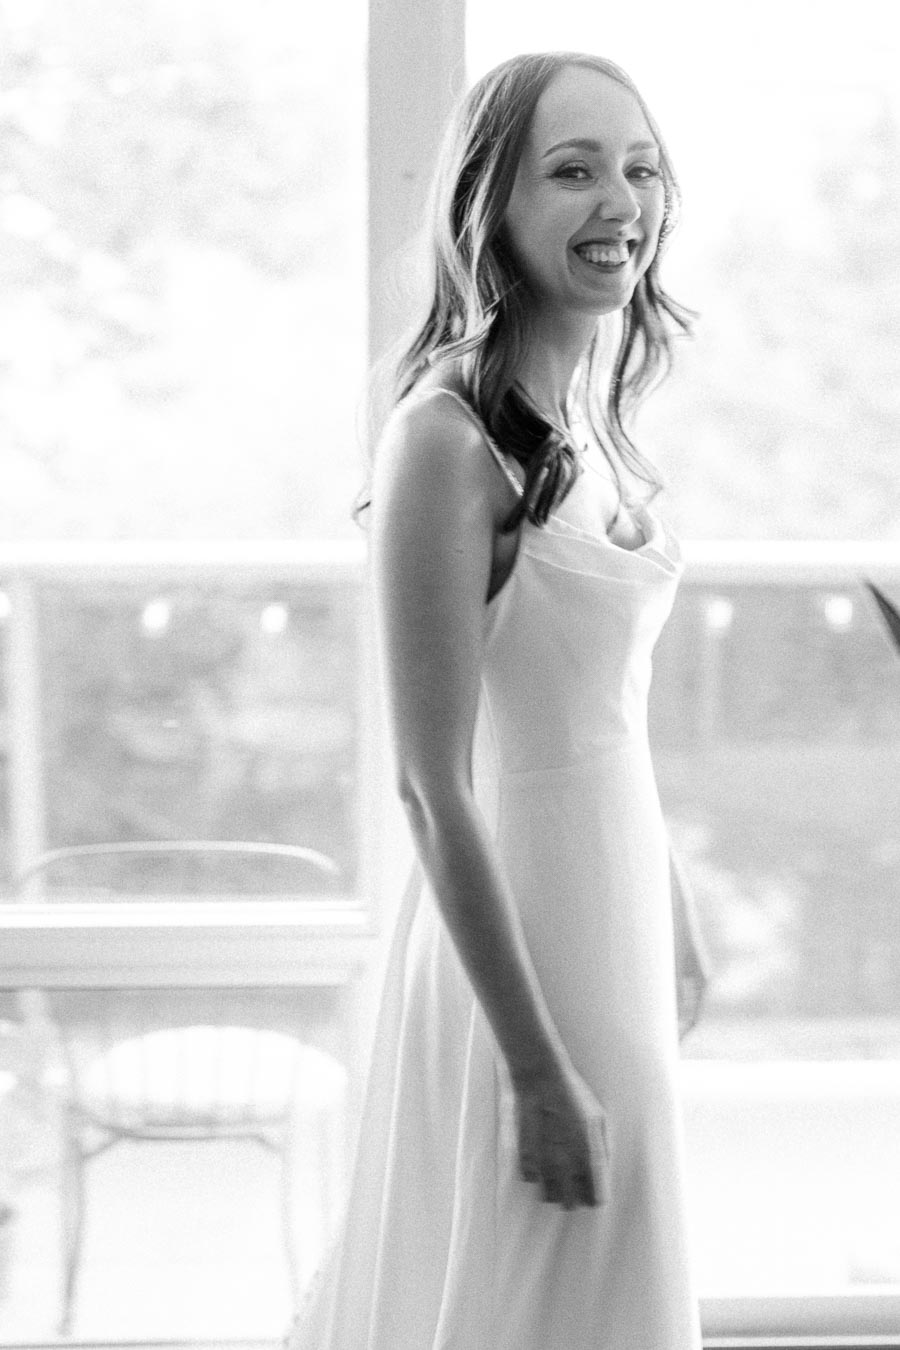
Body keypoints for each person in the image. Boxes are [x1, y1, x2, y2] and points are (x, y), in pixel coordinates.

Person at [287, 48, 709, 1350]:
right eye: (573, 170)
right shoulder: (443, 441)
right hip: (511, 953)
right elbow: (429, 781)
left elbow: (599, 709)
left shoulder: (579, 426)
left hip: (612, 914)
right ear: (494, 205)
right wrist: (530, 1066)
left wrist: (672, 905)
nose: (618, 201)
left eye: (636, 167)